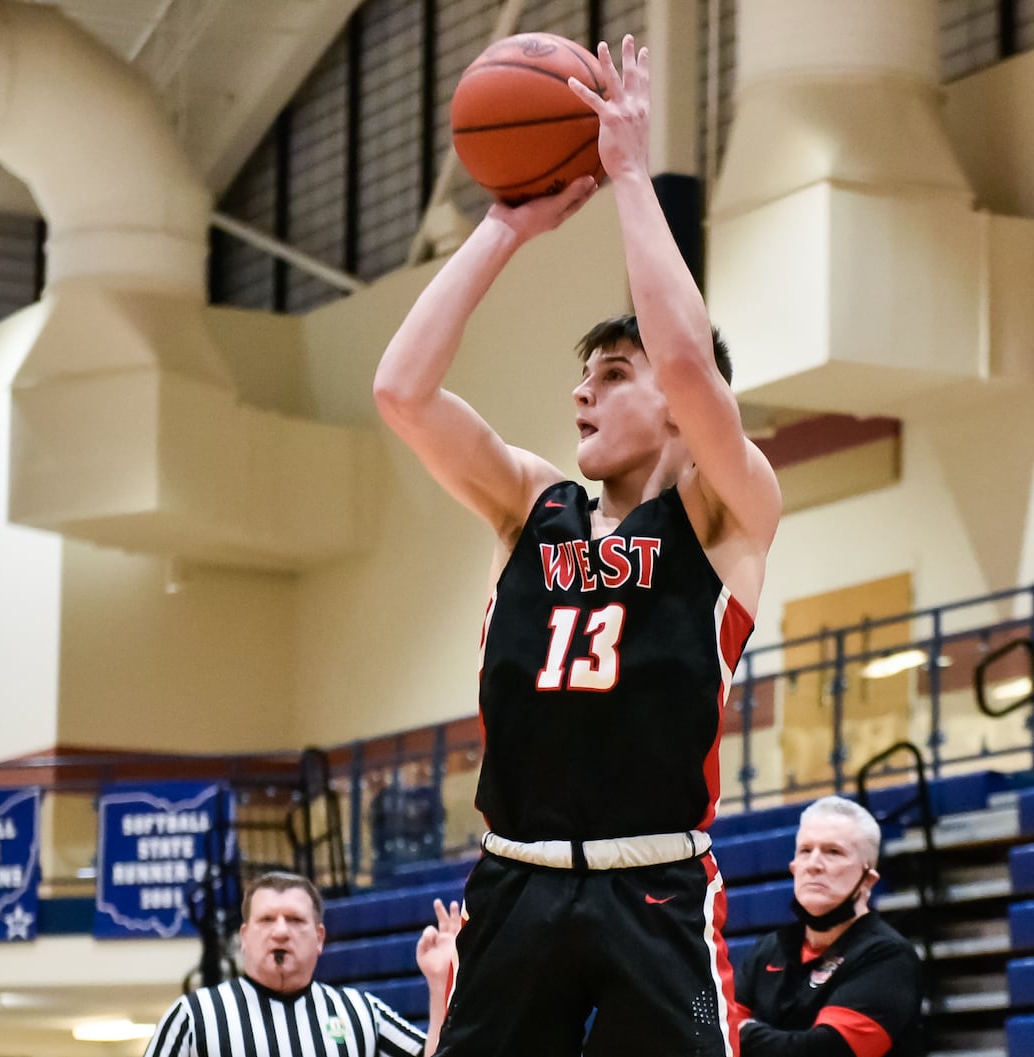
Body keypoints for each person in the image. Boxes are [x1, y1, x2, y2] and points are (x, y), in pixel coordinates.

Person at [372, 36, 782, 1057]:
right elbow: (401, 391)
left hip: (654, 889)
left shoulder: (725, 513)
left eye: (609, 372)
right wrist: (502, 228)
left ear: (684, 412)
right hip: (513, 884)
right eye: (584, 374)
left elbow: (686, 358)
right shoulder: (531, 506)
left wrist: (632, 176)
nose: (579, 393)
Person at [141, 873, 459, 1057]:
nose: (280, 931)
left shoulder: (360, 1012)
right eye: (267, 920)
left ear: (319, 937)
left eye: (294, 920)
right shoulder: (195, 1016)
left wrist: (439, 983)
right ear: (245, 937)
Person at [734, 797, 924, 1057]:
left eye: (833, 852)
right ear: (793, 868)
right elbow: (713, 1036)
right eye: (805, 851)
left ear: (868, 880)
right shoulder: (768, 950)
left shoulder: (888, 955)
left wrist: (742, 1032)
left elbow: (825, 1052)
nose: (813, 865)